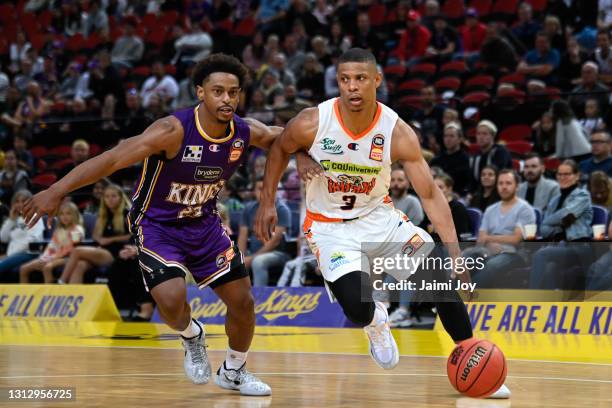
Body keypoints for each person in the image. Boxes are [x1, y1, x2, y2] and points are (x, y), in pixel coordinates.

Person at [21, 54, 318, 396]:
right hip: (157, 225)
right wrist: (57, 189)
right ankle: (192, 336)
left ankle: (234, 370)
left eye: (233, 92)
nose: (226, 99)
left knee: (243, 302)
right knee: (173, 299)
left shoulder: (244, 130)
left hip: (204, 224)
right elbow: (112, 159)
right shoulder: (172, 130)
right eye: (218, 91)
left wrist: (300, 154)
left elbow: (285, 138)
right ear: (200, 93)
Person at [254, 48, 509, 398]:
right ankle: (375, 321)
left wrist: (453, 253)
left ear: (376, 80)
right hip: (330, 228)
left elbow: (431, 195)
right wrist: (270, 199)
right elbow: (279, 146)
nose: (352, 87)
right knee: (357, 307)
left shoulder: (397, 132)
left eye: (360, 79)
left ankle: (473, 357)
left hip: (380, 220)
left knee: (438, 281)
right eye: (345, 79)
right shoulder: (313, 121)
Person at [57, 184, 131, 284]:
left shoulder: (127, 214)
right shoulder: (103, 215)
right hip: (101, 250)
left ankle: (61, 281)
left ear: (121, 197)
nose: (110, 199)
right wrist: (100, 240)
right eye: (107, 196)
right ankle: (75, 297)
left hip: (117, 253)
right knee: (80, 265)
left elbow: (133, 235)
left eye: (113, 196)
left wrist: (111, 239)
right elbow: (95, 235)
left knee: (77, 251)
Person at [19, 201, 84, 283]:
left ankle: (50, 294)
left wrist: (52, 259)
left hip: (67, 258)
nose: (65, 217)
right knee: (23, 269)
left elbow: (74, 248)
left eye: (68, 214)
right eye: (62, 214)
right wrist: (43, 258)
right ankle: (26, 295)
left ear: (74, 215)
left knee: (47, 268)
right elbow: (52, 246)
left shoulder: (77, 230)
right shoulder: (59, 230)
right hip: (53, 257)